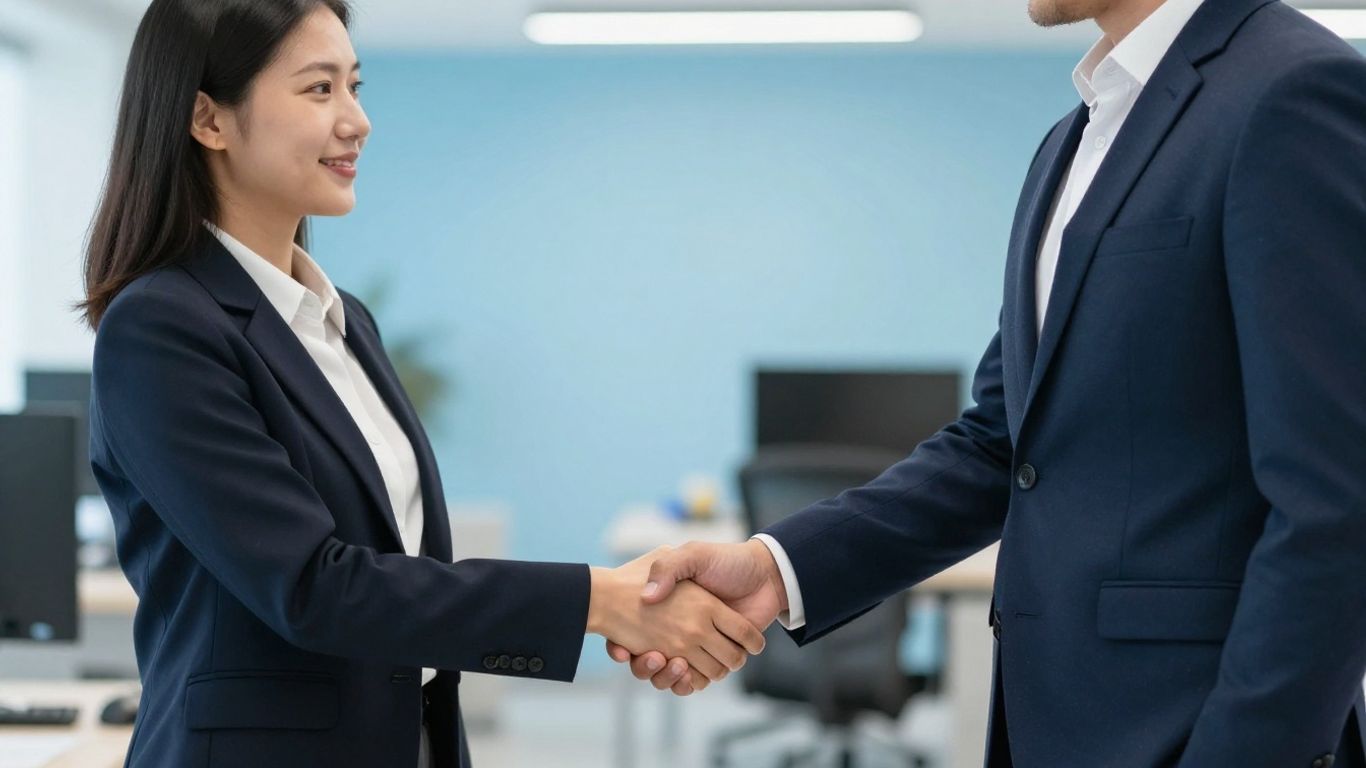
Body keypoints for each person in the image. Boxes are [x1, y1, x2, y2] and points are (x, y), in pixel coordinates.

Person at [611, 1, 1366, 766]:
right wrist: (779, 569)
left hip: (1195, 728)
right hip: (1055, 722)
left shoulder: (1293, 89)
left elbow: (1339, 502)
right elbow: (1000, 443)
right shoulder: (1076, 137)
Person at [79, 2, 764, 766]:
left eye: (355, 86)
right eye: (319, 89)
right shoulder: (162, 328)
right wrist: (600, 602)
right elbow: (312, 588)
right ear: (209, 119)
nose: (357, 121)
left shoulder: (344, 322)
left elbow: (404, 571)